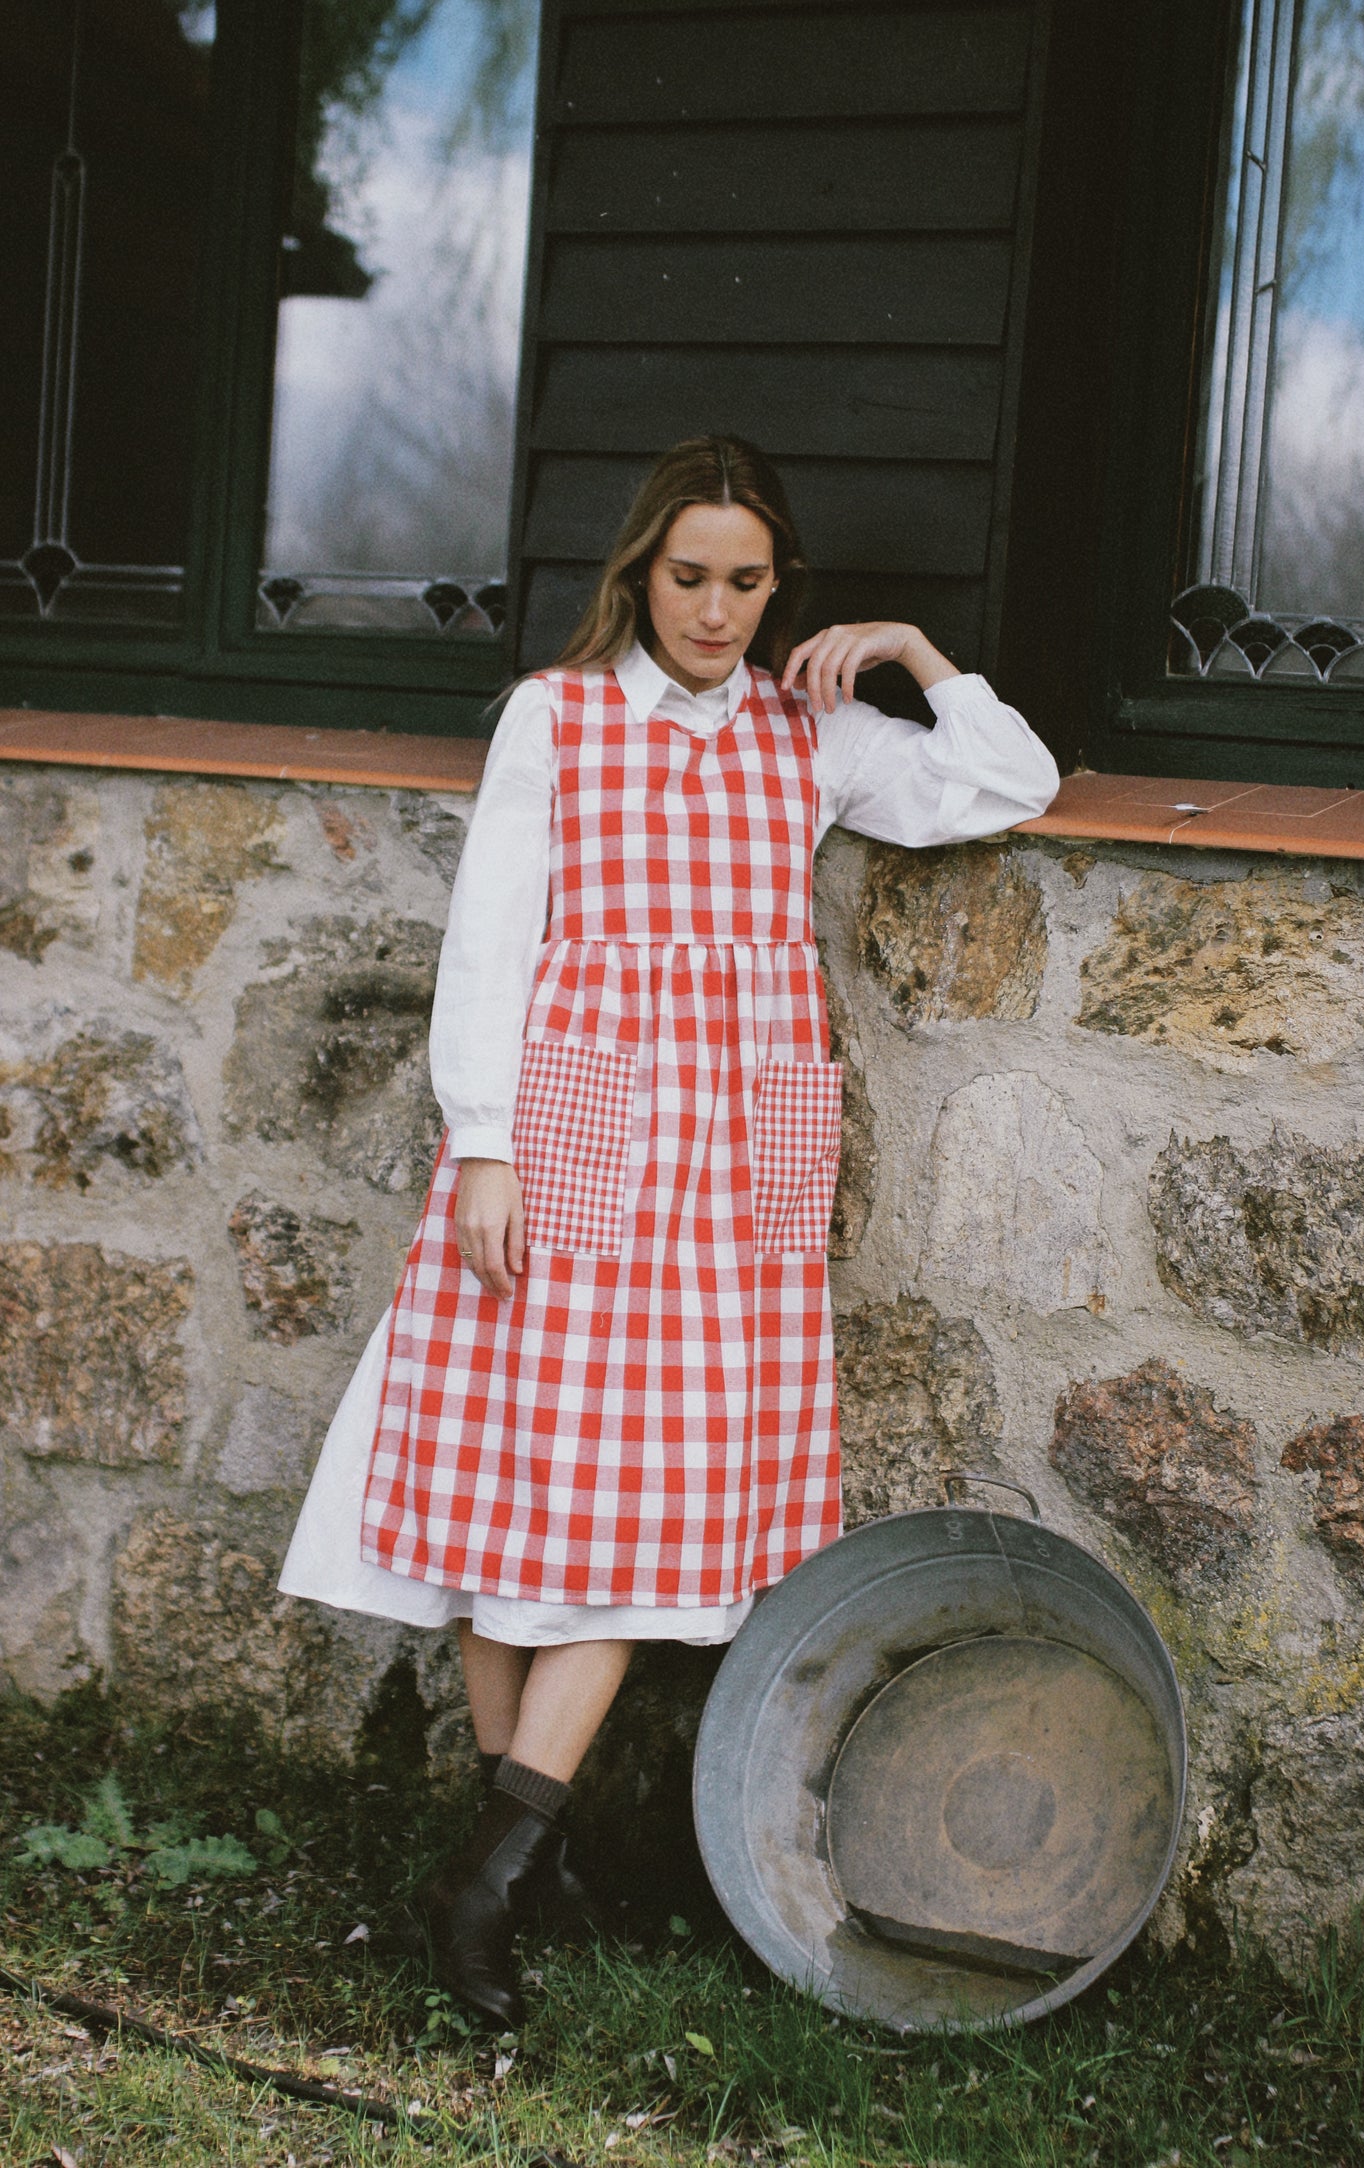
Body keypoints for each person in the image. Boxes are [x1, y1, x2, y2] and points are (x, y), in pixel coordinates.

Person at [279, 436, 1059, 2025]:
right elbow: (489, 934)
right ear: (640, 571)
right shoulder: (554, 717)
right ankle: (506, 1864)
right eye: (689, 576)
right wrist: (484, 1144)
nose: (714, 609)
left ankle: (500, 1855)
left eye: (747, 581)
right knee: (532, 1491)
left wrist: (914, 657)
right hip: (572, 1132)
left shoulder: (813, 731)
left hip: (740, 1156)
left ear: (782, 589)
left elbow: (1007, 781)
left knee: (661, 1502)